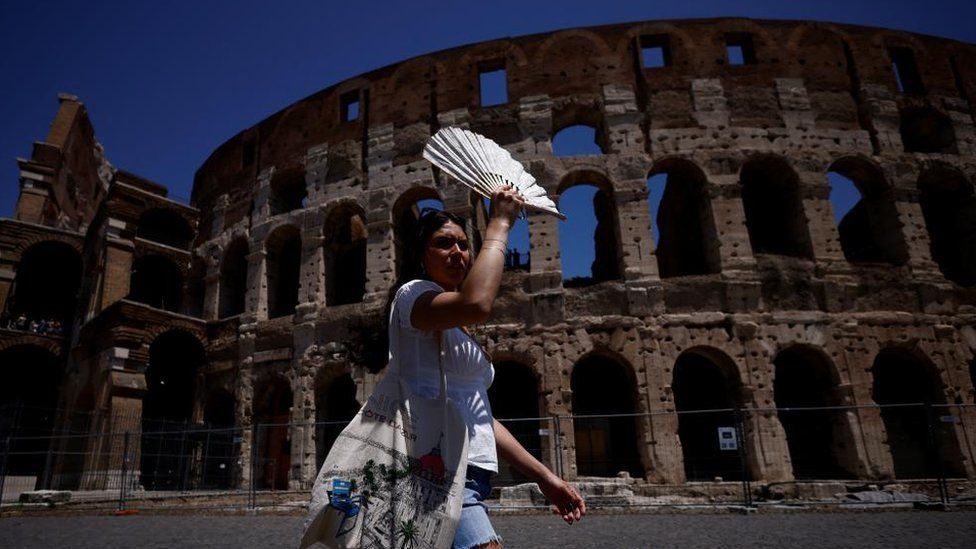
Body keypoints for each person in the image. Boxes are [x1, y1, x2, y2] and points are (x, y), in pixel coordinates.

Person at [386, 186, 585, 549]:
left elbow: (481, 418)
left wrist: (544, 477)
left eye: (464, 244)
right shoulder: (411, 297)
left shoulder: (455, 327)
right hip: (437, 468)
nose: (458, 252)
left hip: (471, 473)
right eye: (444, 243)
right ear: (419, 254)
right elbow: (477, 301)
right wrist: (500, 222)